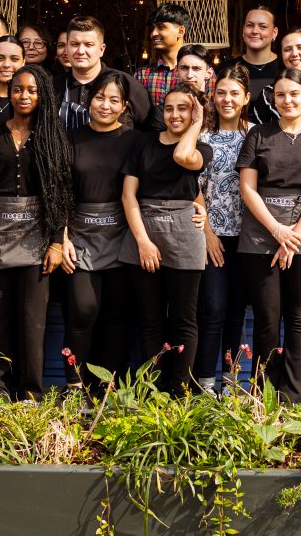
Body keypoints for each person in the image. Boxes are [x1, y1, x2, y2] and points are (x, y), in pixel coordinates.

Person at [0, 66, 72, 400]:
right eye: (17, 89)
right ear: (9, 93)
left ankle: (30, 394)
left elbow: (61, 194)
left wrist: (56, 242)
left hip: (37, 234)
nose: (24, 96)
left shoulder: (52, 136)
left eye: (31, 90)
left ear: (43, 95)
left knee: (31, 320)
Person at [238, 67, 301, 405]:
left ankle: (294, 395)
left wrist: (294, 235)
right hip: (261, 232)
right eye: (280, 95)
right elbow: (247, 189)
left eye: (294, 93)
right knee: (267, 317)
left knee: (299, 316)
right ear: (273, 98)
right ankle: (264, 393)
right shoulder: (259, 135)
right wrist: (277, 230)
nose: (287, 100)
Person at [119, 85, 210, 394]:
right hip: (144, 229)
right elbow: (128, 195)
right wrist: (143, 242)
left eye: (183, 108)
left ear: (194, 112)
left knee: (184, 319)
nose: (174, 114)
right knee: (150, 320)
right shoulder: (143, 143)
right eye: (169, 108)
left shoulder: (202, 149)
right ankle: (152, 392)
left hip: (185, 233)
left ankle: (180, 390)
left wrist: (198, 122)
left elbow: (182, 155)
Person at [61, 70, 139, 389]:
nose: (105, 105)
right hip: (79, 236)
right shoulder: (71, 138)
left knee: (117, 315)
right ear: (89, 101)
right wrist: (62, 237)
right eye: (99, 98)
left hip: (122, 235)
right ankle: (75, 386)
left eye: (114, 100)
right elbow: (61, 190)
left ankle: (108, 388)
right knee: (82, 311)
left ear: (124, 107)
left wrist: (197, 206)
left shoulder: (135, 141)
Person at [193, 64, 252, 393]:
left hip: (247, 238)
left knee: (236, 311)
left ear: (246, 97)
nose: (227, 99)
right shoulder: (203, 136)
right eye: (221, 93)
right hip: (212, 235)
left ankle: (232, 382)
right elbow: (194, 186)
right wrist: (208, 234)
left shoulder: (256, 134)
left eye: (234, 93)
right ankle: (205, 381)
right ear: (212, 96)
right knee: (213, 308)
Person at [55, 15, 154, 131]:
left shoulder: (128, 85)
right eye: (74, 44)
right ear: (67, 48)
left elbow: (149, 134)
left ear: (101, 49)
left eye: (88, 45)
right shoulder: (53, 87)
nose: (80, 51)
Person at [251, 28, 301, 125]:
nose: (294, 54)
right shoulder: (268, 94)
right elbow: (257, 131)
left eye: (300, 47)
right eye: (287, 49)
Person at [217, 8, 280, 101]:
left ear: (274, 32)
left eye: (263, 26)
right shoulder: (225, 69)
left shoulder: (285, 68)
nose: (255, 31)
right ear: (243, 30)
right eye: (250, 25)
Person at [136, 3, 191, 109]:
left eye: (161, 27)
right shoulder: (142, 74)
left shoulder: (200, 73)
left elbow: (210, 114)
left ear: (180, 31)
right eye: (152, 28)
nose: (153, 33)